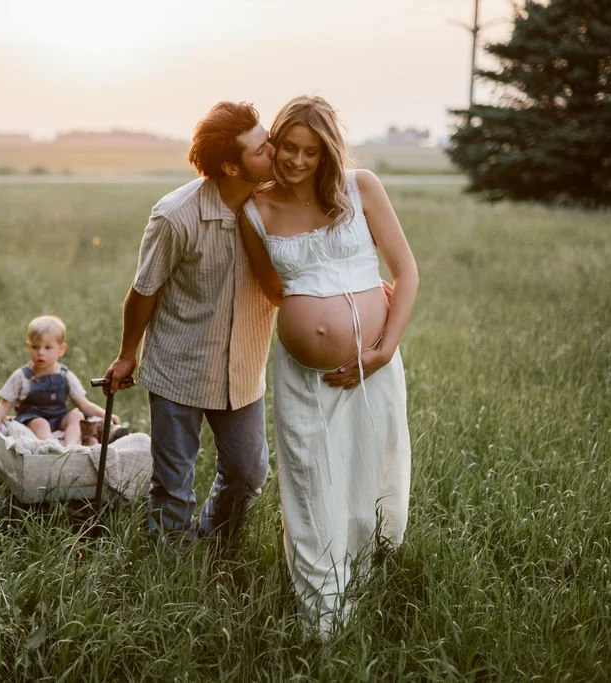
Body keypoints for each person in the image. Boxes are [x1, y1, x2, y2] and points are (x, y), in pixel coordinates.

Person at [238, 95, 418, 632]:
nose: (295, 161)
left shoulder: (362, 189)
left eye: (310, 152)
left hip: (374, 370)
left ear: (328, 153)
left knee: (365, 486)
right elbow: (272, 287)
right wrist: (318, 317)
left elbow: (407, 272)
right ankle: (325, 622)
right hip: (304, 380)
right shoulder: (255, 208)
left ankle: (360, 581)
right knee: (312, 485)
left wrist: (381, 348)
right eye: (288, 147)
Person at [101, 101, 277, 542]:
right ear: (231, 167)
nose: (273, 152)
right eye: (261, 149)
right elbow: (144, 291)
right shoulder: (175, 216)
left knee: (250, 474)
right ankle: (171, 567)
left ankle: (213, 539)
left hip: (243, 373)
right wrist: (127, 355)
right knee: (172, 487)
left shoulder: (275, 206)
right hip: (178, 369)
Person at [0, 315, 118, 445]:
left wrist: (105, 415)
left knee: (77, 415)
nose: (41, 353)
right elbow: (4, 405)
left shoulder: (65, 375)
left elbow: (84, 404)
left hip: (59, 417)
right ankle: (51, 447)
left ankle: (72, 447)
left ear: (61, 350)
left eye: (48, 348)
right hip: (32, 418)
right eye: (35, 347)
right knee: (41, 423)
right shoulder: (22, 376)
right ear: (28, 346)